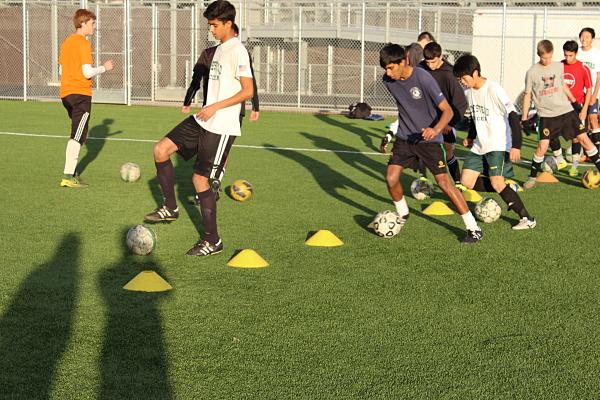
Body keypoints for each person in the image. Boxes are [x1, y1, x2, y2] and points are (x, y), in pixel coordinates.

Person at [144, 0, 254, 257]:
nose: (211, 30)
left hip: (222, 124)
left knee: (199, 179)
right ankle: (170, 208)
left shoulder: (238, 51)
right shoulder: (216, 51)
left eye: (214, 25)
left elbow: (247, 91)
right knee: (161, 150)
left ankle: (212, 240)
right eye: (209, 25)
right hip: (203, 119)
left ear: (228, 23)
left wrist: (216, 106)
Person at [379, 43, 483, 244]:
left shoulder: (423, 78)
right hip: (405, 138)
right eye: (385, 68)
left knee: (444, 184)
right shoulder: (388, 80)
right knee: (391, 177)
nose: (387, 72)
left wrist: (435, 130)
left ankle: (473, 228)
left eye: (391, 67)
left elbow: (448, 111)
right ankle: (403, 214)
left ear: (404, 61)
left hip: (430, 140)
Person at [453, 55, 536, 230]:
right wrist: (470, 135)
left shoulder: (494, 89)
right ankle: (506, 189)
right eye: (460, 79)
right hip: (480, 145)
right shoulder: (469, 93)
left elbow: (513, 117)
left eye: (464, 78)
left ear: (475, 73)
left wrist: (516, 146)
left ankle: (527, 218)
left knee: (497, 182)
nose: (462, 82)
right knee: (466, 181)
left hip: (498, 144)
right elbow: (476, 118)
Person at [182, 22, 259, 199]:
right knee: (218, 150)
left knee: (215, 149)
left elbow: (249, 83)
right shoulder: (211, 54)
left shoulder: (237, 53)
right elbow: (197, 78)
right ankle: (213, 181)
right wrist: (256, 106)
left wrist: (187, 101)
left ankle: (210, 184)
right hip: (215, 110)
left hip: (225, 110)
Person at [521, 40, 600, 189]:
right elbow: (527, 95)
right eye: (544, 58)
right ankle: (531, 178)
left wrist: (575, 103)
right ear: (539, 55)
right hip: (546, 116)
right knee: (542, 147)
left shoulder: (558, 66)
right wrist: (524, 117)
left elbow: (563, 85)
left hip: (565, 111)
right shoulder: (532, 72)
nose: (547, 61)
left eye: (550, 57)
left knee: (584, 139)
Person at [58, 9, 113, 188]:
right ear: (83, 24)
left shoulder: (66, 42)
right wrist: (104, 68)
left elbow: (61, 70)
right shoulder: (83, 43)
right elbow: (87, 72)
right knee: (77, 135)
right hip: (80, 95)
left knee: (79, 133)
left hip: (66, 94)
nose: (94, 27)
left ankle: (71, 172)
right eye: (92, 23)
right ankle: (68, 176)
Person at [420, 41, 468, 187]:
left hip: (446, 119)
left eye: (433, 62)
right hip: (426, 117)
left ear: (441, 57)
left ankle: (458, 182)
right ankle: (423, 179)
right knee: (422, 147)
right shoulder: (420, 69)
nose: (430, 66)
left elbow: (461, 103)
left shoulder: (449, 73)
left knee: (448, 150)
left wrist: (449, 123)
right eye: (427, 62)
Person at [560, 40, 593, 176]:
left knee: (576, 138)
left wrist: (584, 110)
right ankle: (558, 159)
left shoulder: (583, 68)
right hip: (560, 107)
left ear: (576, 54)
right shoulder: (559, 66)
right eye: (566, 55)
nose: (568, 58)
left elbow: (589, 89)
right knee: (550, 136)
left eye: (570, 55)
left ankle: (574, 166)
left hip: (576, 108)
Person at [577, 27, 600, 151]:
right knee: (580, 122)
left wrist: (594, 95)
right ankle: (583, 151)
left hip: (592, 92)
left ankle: (597, 150)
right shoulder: (577, 52)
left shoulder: (596, 53)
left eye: (587, 37)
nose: (584, 39)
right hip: (579, 93)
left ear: (592, 39)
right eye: (582, 36)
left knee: (593, 118)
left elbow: (598, 76)